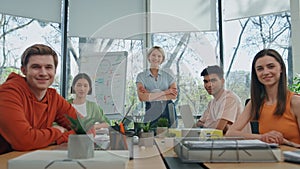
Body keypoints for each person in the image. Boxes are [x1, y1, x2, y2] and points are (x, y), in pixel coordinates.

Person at [0, 44, 78, 154]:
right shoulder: (8, 93)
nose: (43, 73)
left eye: (48, 67)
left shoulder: (53, 97)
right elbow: (24, 141)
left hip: (28, 159)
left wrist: (58, 137)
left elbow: (86, 127)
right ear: (24, 70)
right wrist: (57, 131)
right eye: (36, 67)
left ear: (55, 71)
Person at [226, 49, 300, 146]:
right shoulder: (255, 103)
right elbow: (230, 134)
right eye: (260, 69)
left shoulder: (295, 102)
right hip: (269, 158)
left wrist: (285, 142)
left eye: (271, 67)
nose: (265, 72)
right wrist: (262, 137)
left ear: (281, 68)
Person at [196, 65, 251, 134]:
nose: (209, 85)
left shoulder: (230, 99)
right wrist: (211, 125)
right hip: (222, 141)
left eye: (213, 80)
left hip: (238, 142)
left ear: (222, 81)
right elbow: (199, 123)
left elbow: (219, 129)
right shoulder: (212, 103)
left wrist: (208, 125)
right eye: (206, 81)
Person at [136, 46, 178, 128]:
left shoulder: (168, 74)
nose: (156, 58)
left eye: (159, 56)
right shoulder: (141, 76)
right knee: (150, 136)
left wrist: (150, 95)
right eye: (153, 55)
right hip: (151, 110)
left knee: (171, 137)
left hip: (168, 110)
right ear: (149, 57)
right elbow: (142, 97)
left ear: (162, 59)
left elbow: (173, 95)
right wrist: (166, 92)